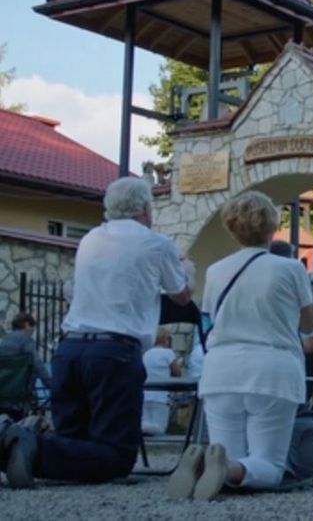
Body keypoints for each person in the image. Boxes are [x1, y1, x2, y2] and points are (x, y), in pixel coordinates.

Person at [0, 177, 191, 488]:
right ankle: (28, 445)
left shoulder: (90, 239)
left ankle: (15, 443)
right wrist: (188, 268)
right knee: (116, 456)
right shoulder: (156, 244)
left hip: (70, 349)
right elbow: (181, 295)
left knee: (75, 442)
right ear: (145, 208)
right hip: (115, 352)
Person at [164, 191, 313, 501]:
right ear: (272, 226)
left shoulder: (216, 271)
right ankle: (225, 469)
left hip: (221, 371)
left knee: (227, 453)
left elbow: (209, 320)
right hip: (272, 372)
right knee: (270, 467)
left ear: (232, 228)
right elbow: (308, 324)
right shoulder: (291, 269)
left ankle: (204, 467)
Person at [141, 327, 182, 436]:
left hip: (146, 393)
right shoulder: (168, 353)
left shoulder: (146, 353)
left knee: (146, 422)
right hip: (161, 396)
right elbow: (177, 373)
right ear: (166, 339)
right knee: (160, 428)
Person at [0, 313, 52, 389]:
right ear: (26, 324)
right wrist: (50, 383)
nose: (33, 329)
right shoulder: (26, 340)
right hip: (22, 390)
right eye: (32, 325)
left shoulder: (5, 341)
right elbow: (37, 364)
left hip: (5, 389)